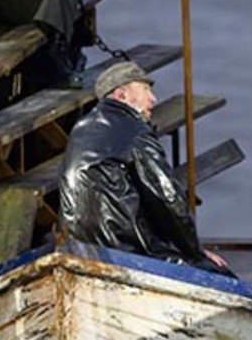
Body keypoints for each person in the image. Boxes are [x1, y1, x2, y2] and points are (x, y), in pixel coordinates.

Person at [58, 61, 233, 277]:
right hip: (126, 252)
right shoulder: (133, 129)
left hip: (81, 249)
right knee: (219, 275)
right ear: (121, 95)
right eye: (145, 89)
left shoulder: (80, 130)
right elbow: (167, 198)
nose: (153, 99)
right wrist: (195, 252)